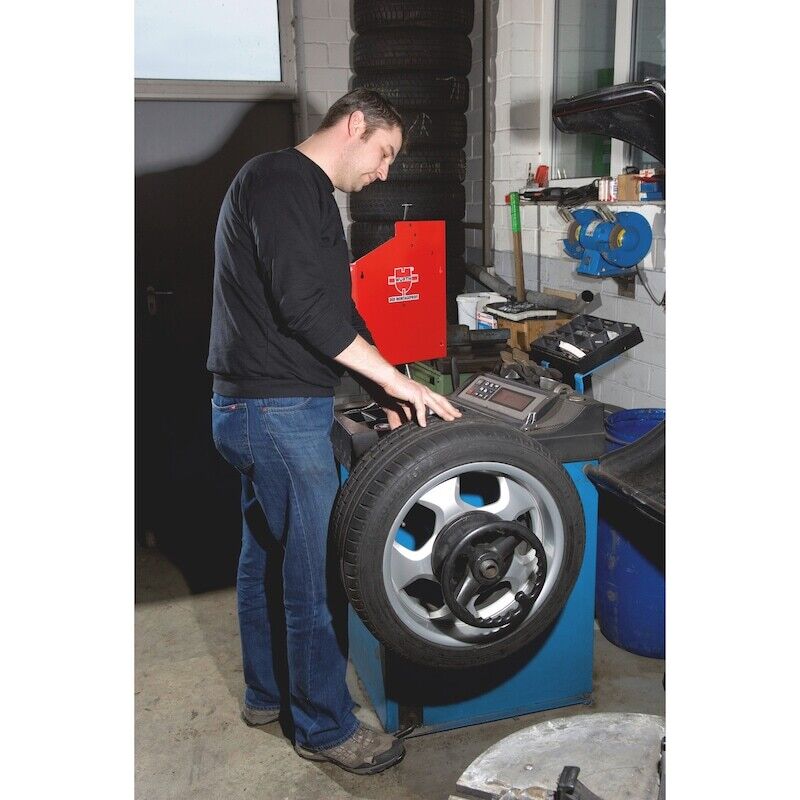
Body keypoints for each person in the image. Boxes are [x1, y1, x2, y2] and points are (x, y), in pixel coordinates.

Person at [206, 88, 462, 775]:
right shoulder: (282, 180)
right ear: (354, 125)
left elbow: (338, 309)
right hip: (276, 414)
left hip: (256, 410)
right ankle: (324, 727)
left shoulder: (299, 190)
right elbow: (303, 307)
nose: (384, 171)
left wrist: (381, 384)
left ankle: (267, 694)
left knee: (265, 557)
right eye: (384, 153)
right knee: (314, 574)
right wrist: (399, 383)